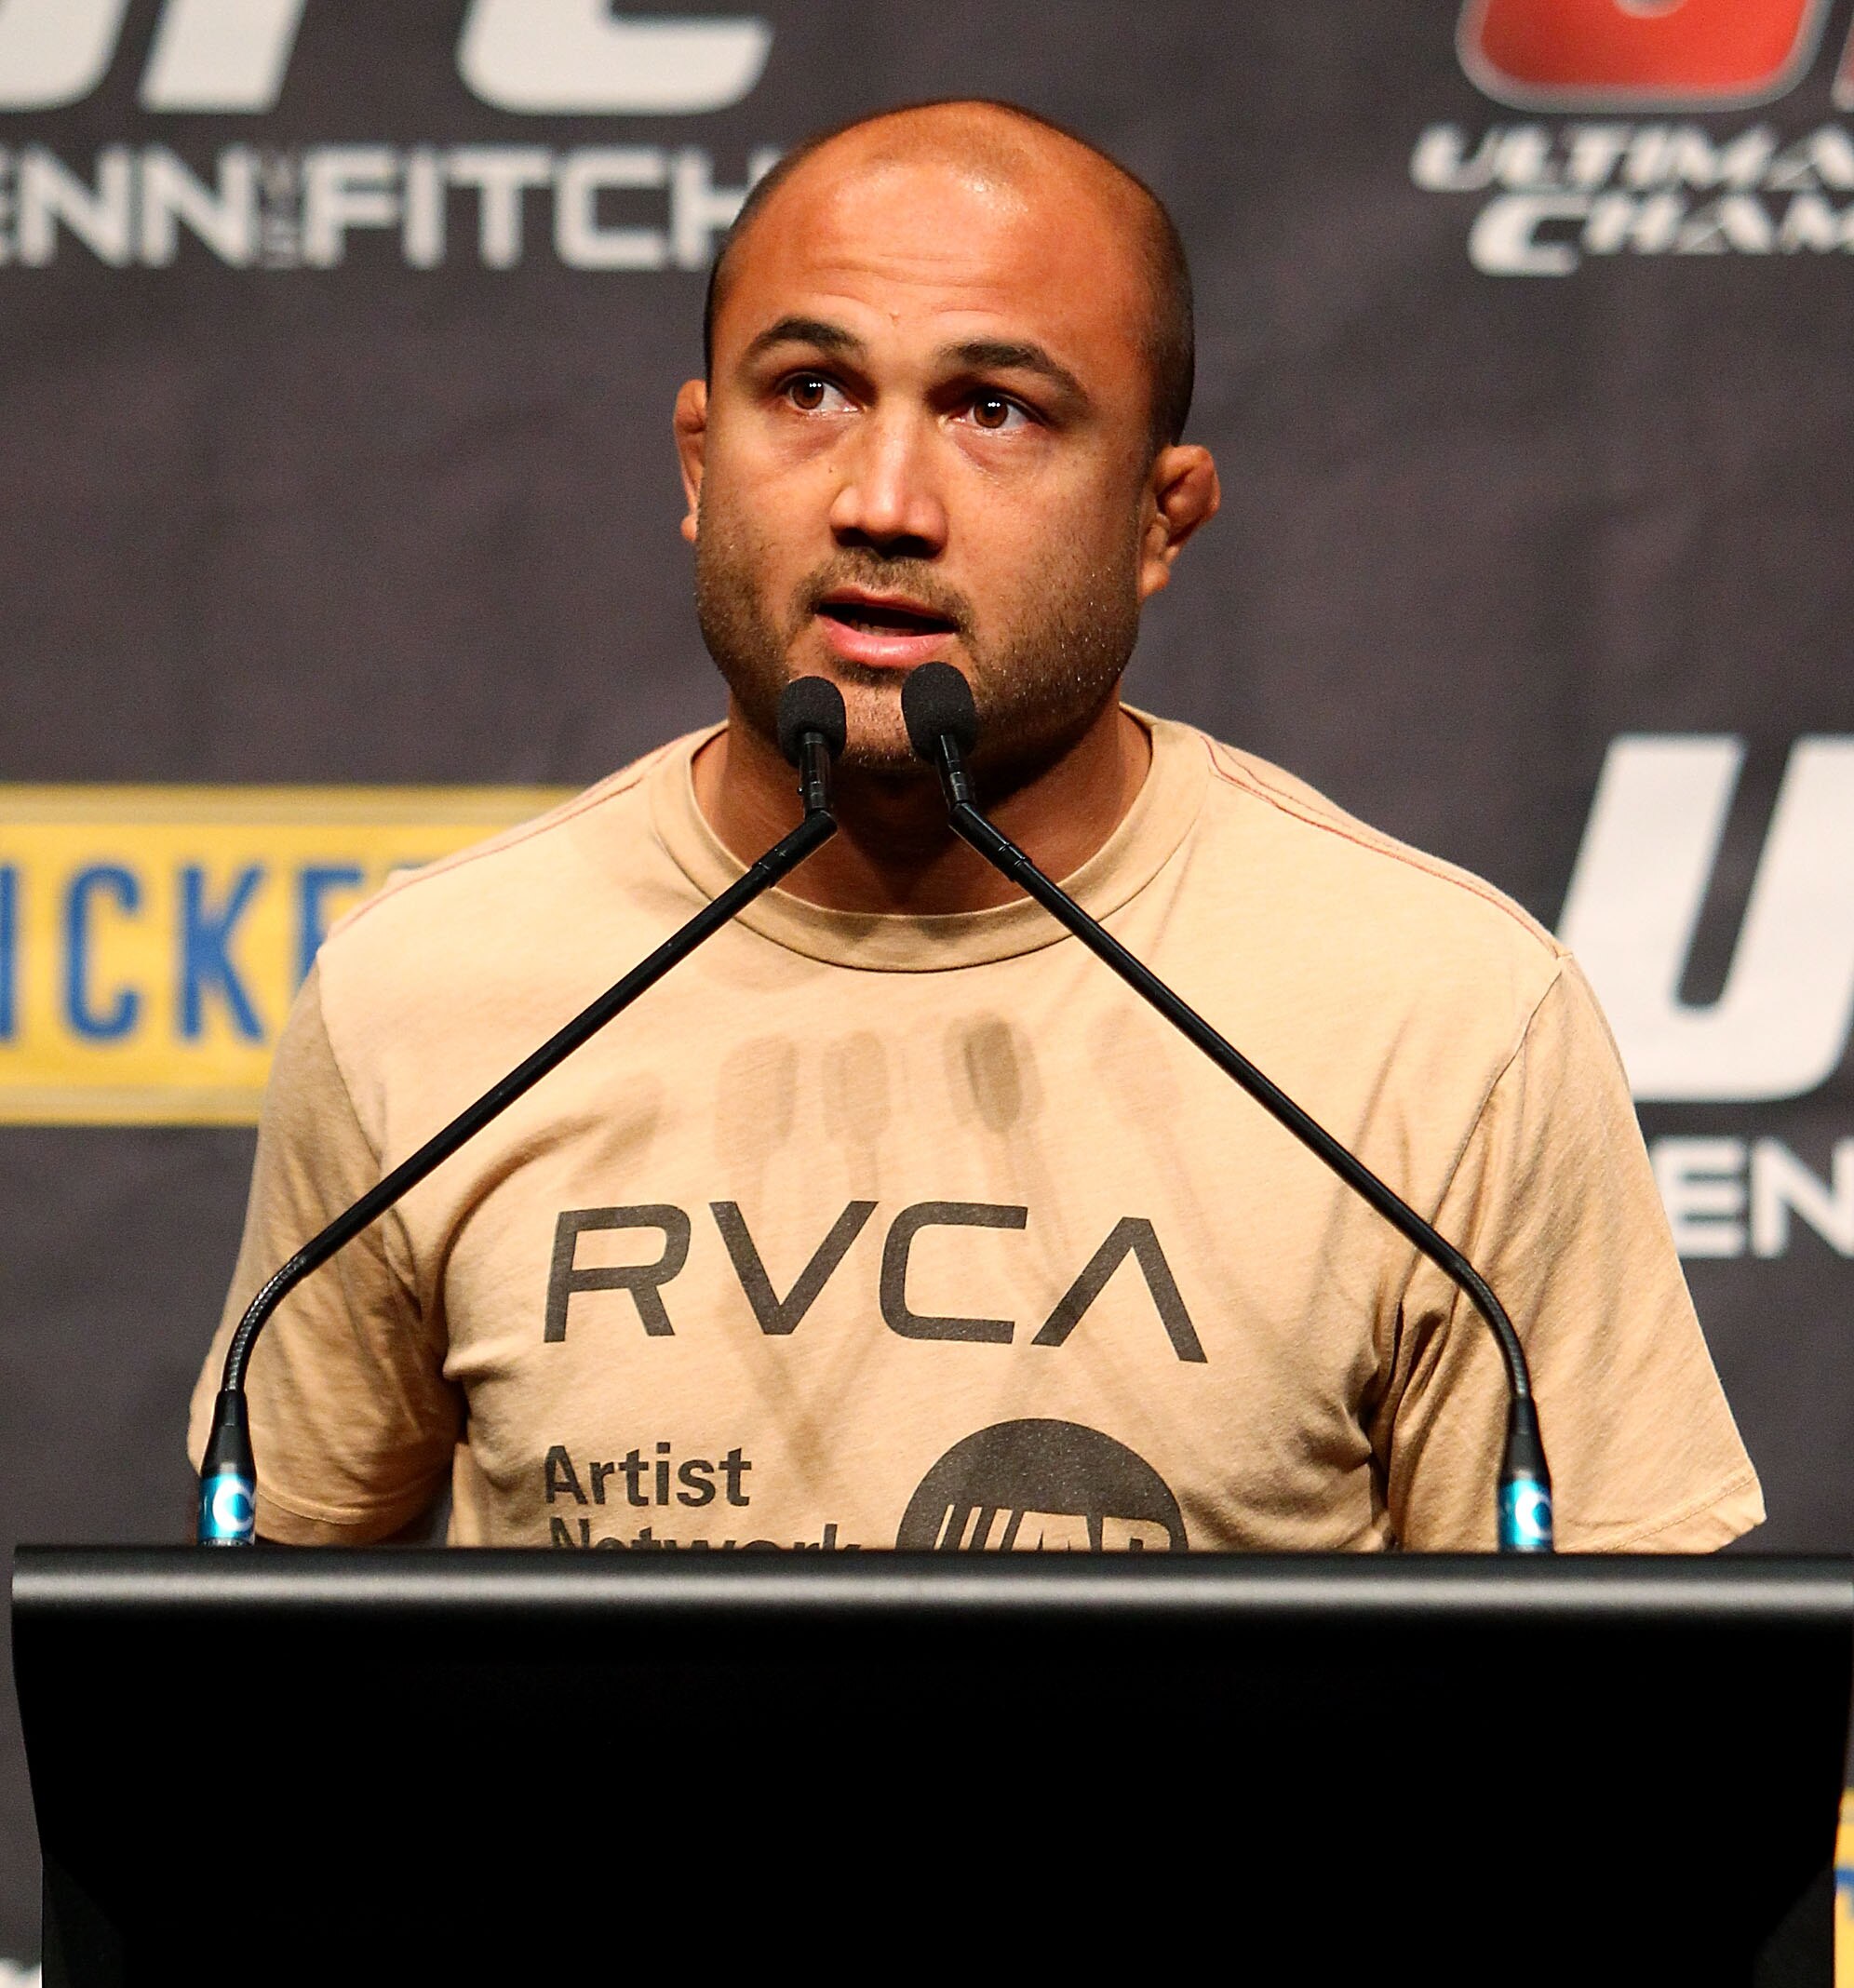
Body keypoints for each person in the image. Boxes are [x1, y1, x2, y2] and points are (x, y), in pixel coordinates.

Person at [190, 99, 1760, 1557]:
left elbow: (1624, 1748)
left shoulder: (1445, 1021)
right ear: (696, 459)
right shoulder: (428, 992)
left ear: (1163, 515)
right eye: (808, 391)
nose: (883, 496)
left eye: (994, 410)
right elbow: (257, 1705)